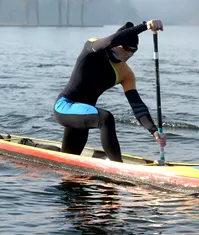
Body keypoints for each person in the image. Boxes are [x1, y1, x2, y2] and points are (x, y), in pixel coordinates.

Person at [53, 20, 167, 162]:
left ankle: (42, 150)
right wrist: (145, 26)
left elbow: (137, 105)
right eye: (126, 48)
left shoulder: (126, 74)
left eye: (133, 51)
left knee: (68, 158)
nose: (129, 54)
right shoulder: (92, 48)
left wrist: (153, 130)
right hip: (65, 107)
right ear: (115, 45)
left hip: (85, 114)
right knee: (106, 118)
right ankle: (118, 166)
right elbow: (110, 40)